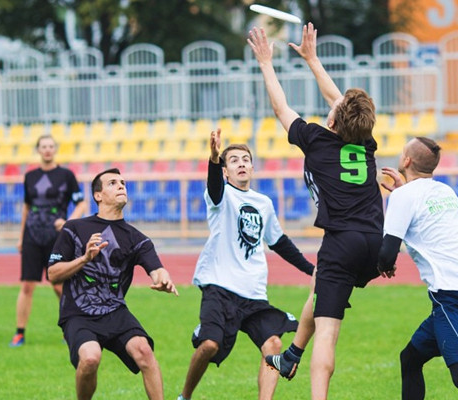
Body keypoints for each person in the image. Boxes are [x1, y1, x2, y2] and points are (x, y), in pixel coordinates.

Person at [248, 23, 383, 399]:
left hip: (343, 242)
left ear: (334, 121)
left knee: (329, 329)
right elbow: (341, 103)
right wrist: (312, 59)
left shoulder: (317, 140)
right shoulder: (365, 143)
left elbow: (281, 107)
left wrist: (266, 64)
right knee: (319, 283)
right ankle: (291, 356)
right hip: (376, 242)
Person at [176, 129, 315, 400]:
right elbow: (214, 186)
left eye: (245, 159)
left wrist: (312, 269)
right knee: (209, 345)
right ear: (226, 171)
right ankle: (185, 396)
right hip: (220, 286)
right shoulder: (220, 197)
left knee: (274, 344)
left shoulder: (263, 203)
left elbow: (279, 242)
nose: (241, 163)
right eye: (234, 160)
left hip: (253, 293)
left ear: (252, 167)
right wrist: (214, 158)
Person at [378, 137, 458, 400]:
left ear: (406, 161)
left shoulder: (404, 197)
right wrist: (404, 192)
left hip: (452, 297)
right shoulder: (445, 191)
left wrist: (381, 264)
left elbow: (386, 254)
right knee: (410, 358)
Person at [47, 167, 178, 400]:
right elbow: (53, 274)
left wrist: (163, 279)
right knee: (90, 359)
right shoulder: (74, 228)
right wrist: (85, 259)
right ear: (98, 195)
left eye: (123, 183)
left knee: (144, 352)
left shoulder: (137, 238)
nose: (120, 186)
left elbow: (156, 268)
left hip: (115, 311)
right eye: (112, 183)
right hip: (78, 312)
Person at [10, 134, 87, 347]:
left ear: (55, 150)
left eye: (51, 146)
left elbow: (81, 204)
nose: (47, 150)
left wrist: (68, 222)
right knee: (27, 285)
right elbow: (27, 207)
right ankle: (19, 333)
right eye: (43, 146)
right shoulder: (30, 176)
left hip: (57, 238)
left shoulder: (66, 175)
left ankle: (69, 329)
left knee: (58, 285)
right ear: (38, 149)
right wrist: (21, 236)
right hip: (32, 235)